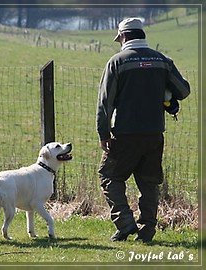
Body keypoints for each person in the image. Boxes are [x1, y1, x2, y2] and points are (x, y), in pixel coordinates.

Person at [96, 18, 190, 243]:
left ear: (124, 36)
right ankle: (147, 230)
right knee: (149, 182)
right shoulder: (162, 61)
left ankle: (125, 222)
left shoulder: (117, 62)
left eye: (119, 38)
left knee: (109, 176)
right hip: (154, 133)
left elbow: (104, 103)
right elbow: (183, 90)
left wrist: (103, 133)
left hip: (125, 133)